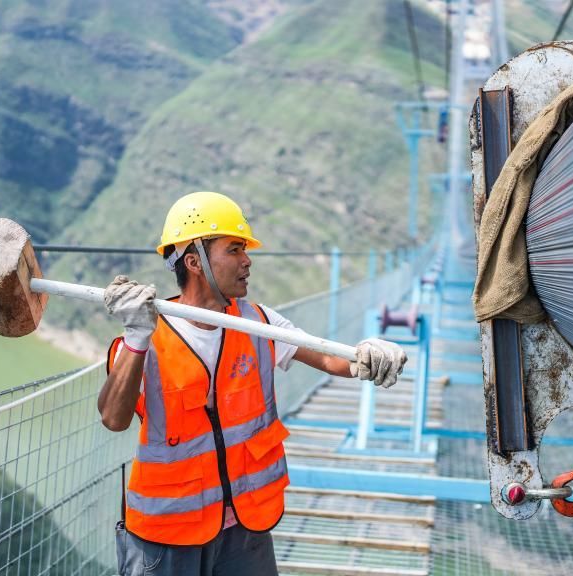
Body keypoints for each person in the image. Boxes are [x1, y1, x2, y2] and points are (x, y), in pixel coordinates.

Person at [97, 191, 407, 575]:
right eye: (234, 249)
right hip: (167, 533)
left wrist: (366, 355)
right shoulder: (144, 334)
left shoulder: (258, 321)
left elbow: (328, 357)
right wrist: (137, 337)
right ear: (193, 262)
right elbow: (113, 418)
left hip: (245, 526)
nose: (247, 261)